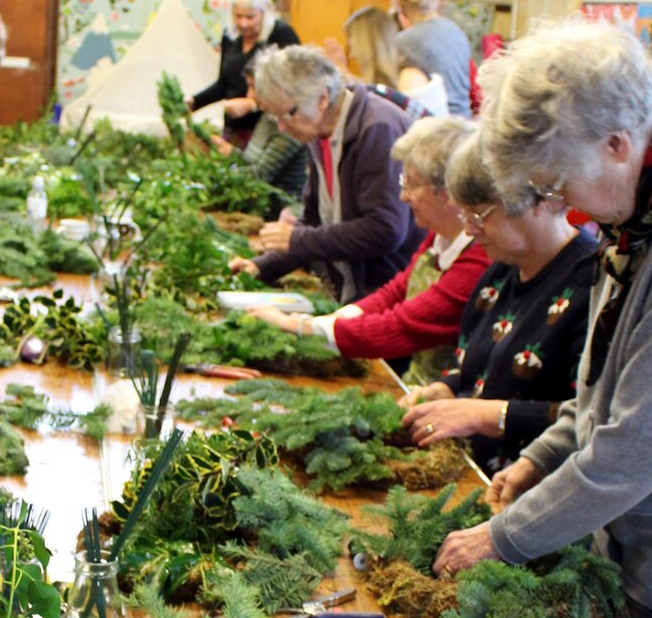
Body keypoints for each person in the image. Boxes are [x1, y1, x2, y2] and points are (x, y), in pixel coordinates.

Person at [432, 20, 652, 618]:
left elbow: (638, 447)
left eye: (555, 183)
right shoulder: (640, 204)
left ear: (617, 144)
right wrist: (541, 457)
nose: (560, 204)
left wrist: (502, 537)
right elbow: (604, 386)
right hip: (632, 545)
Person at [399, 133, 595, 473]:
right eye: (466, 218)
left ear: (539, 202)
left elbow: (589, 417)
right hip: (473, 473)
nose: (471, 231)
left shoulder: (590, 284)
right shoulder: (502, 269)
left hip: (528, 492)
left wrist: (483, 415)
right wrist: (446, 388)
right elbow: (484, 368)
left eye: (479, 215)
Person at [246, 116, 488, 383]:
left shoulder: (478, 259)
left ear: (447, 191)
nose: (403, 196)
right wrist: (335, 319)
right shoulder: (439, 238)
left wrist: (300, 326)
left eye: (413, 185)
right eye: (403, 182)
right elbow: (396, 292)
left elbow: (403, 326)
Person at [227, 45, 422, 303]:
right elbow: (313, 220)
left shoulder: (377, 128)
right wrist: (264, 266)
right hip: (356, 292)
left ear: (321, 98)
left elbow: (385, 230)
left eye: (288, 114)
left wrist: (297, 239)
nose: (283, 127)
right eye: (276, 118)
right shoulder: (319, 131)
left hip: (387, 296)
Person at [187, 0, 300, 143]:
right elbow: (224, 84)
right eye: (238, 16)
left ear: (265, 13)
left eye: (250, 17)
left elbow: (292, 89)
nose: (243, 23)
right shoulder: (230, 37)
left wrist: (251, 105)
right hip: (233, 129)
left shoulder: (282, 35)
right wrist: (193, 102)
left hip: (267, 132)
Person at [209, 61, 307, 215]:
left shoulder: (289, 128)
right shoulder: (266, 117)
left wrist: (215, 175)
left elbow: (260, 176)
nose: (249, 95)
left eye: (253, 87)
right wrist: (229, 151)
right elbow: (251, 161)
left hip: (276, 215)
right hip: (256, 207)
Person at [325, 5, 447, 119]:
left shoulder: (410, 78)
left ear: (367, 44)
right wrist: (343, 72)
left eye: (353, 42)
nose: (352, 54)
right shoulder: (390, 78)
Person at [388, 0, 472, 117]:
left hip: (436, 129)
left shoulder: (404, 42)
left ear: (398, 3)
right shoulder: (456, 31)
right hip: (465, 124)